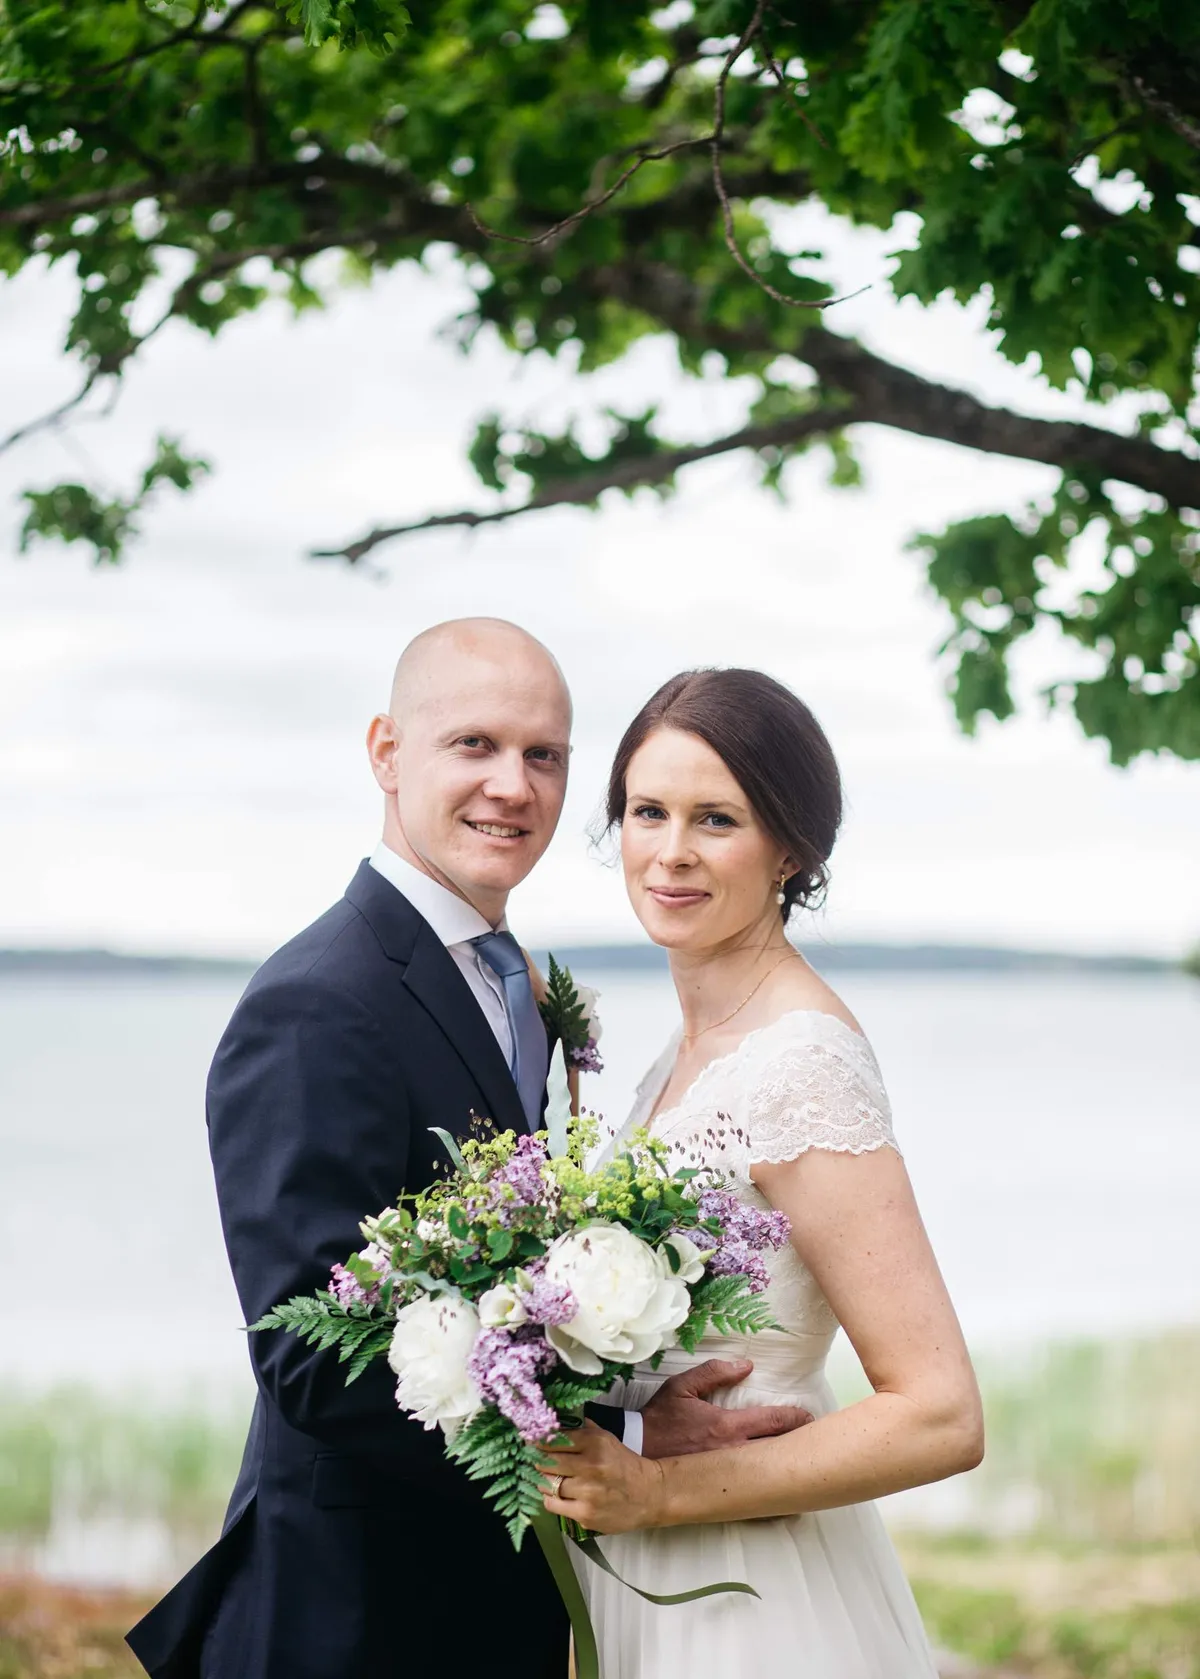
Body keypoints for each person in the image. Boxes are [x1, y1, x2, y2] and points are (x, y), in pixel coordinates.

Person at [127, 622, 812, 1679]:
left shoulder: (515, 986)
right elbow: (313, 1359)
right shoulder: (318, 1000)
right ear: (387, 752)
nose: (513, 785)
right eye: (475, 744)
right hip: (354, 1617)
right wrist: (621, 1448)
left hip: (488, 1609)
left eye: (545, 755)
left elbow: (522, 1288)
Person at [541, 667, 985, 1679]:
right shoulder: (684, 1052)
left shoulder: (800, 1060)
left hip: (749, 1591)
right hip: (650, 1581)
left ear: (791, 848)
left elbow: (941, 1410)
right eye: (648, 811)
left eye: (717, 818)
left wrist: (660, 1494)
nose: (672, 851)